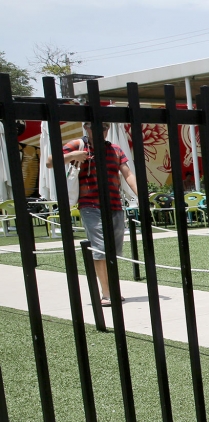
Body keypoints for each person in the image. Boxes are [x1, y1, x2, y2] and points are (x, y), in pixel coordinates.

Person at [46, 121, 138, 306]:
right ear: (86, 127)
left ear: (108, 129)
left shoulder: (115, 149)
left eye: (103, 127)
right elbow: (50, 162)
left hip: (114, 205)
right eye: (94, 126)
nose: (99, 129)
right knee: (100, 248)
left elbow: (127, 174)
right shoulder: (77, 145)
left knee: (112, 251)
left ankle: (112, 288)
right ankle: (106, 293)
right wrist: (73, 155)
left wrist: (140, 194)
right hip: (90, 205)